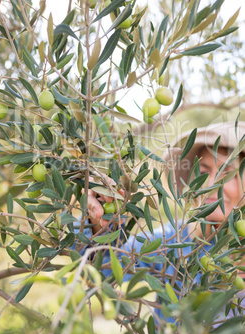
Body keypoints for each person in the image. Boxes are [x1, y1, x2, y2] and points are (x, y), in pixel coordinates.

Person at [85, 120, 245, 322]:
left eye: (226, 173)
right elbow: (99, 270)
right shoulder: (173, 241)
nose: (211, 184)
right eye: (203, 172)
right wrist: (101, 227)